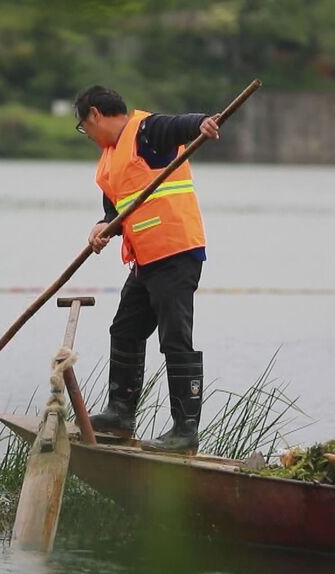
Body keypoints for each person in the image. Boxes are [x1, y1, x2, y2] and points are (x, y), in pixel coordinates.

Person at [73, 85, 220, 454]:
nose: (86, 135)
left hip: (175, 251)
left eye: (83, 126)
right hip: (144, 259)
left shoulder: (147, 131)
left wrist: (202, 124)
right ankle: (121, 414)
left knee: (175, 337)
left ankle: (185, 431)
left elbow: (179, 126)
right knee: (125, 328)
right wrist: (101, 228)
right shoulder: (110, 158)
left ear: (94, 114)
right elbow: (116, 211)